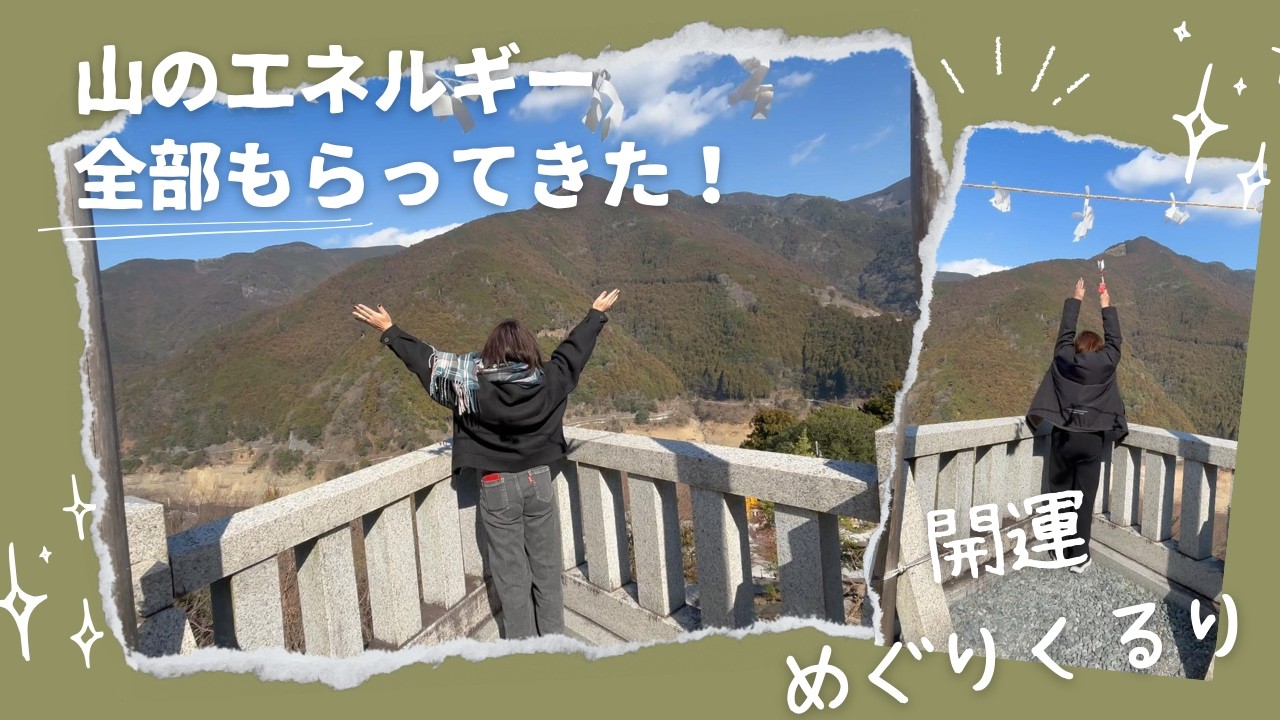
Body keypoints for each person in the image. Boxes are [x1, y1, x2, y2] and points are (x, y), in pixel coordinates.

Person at [352, 289, 620, 638]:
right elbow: (573, 354)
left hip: (495, 484)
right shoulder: (549, 380)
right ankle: (554, 641)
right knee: (546, 567)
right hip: (539, 480)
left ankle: (523, 649)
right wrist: (594, 316)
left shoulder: (470, 384)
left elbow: (428, 363)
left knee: (510, 574)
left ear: (491, 351)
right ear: (527, 349)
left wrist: (390, 331)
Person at [1026, 277, 1128, 575]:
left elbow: (1063, 335)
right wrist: (1106, 304)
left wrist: (1076, 299)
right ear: (1098, 349)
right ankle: (1078, 557)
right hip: (1092, 440)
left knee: (1059, 494)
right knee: (1083, 499)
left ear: (1076, 347)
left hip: (1063, 436)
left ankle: (1058, 550)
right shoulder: (1107, 362)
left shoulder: (1065, 359)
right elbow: (1116, 340)